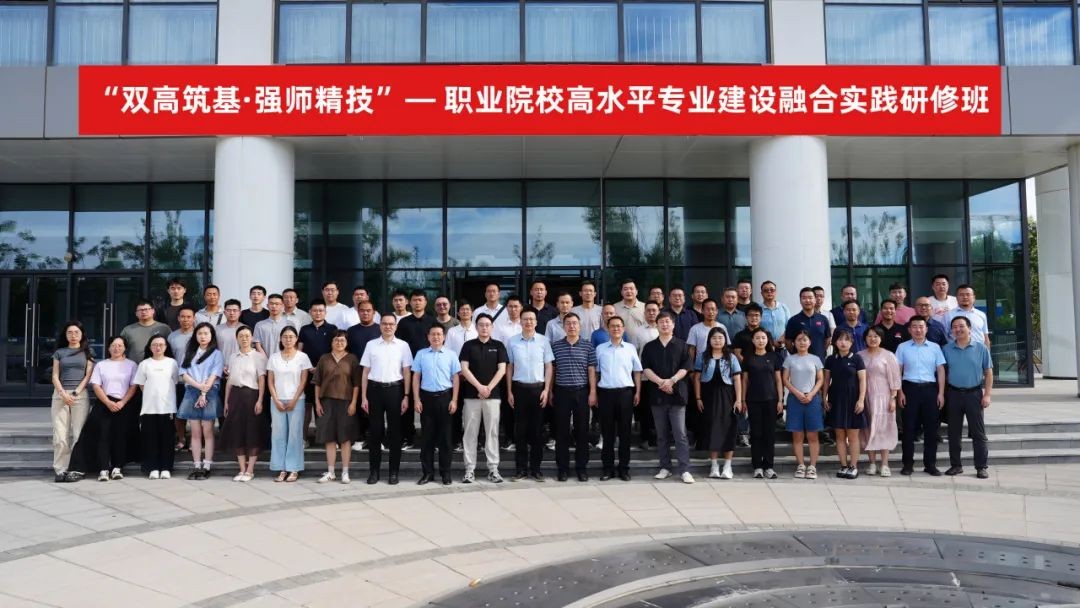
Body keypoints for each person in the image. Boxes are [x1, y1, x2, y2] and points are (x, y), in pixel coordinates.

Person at [71, 336, 137, 482]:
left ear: (125, 348)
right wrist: (107, 402)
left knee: (120, 436)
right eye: (113, 345)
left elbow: (133, 386)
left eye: (120, 345)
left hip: (123, 404)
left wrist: (122, 402)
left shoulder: (131, 365)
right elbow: (96, 385)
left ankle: (117, 467)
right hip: (104, 403)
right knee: (103, 436)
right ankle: (103, 468)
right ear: (108, 348)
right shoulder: (101, 365)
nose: (116, 348)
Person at [641, 311, 694, 484]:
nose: (664, 324)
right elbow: (646, 368)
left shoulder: (682, 345)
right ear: (656, 325)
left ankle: (684, 469)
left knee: (680, 434)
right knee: (661, 434)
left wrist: (671, 381)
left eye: (667, 322)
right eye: (661, 322)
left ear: (673, 325)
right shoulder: (649, 347)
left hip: (677, 395)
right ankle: (665, 467)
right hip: (657, 395)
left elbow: (686, 367)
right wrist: (661, 382)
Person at [360, 314, 413, 485]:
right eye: (384, 324)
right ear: (380, 326)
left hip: (395, 391)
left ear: (396, 326)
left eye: (391, 324)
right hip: (374, 390)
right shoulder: (371, 345)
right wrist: (363, 397)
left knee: (395, 433)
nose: (388, 327)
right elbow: (365, 372)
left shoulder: (403, 346)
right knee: (375, 432)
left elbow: (406, 372)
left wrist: (406, 396)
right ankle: (374, 472)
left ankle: (393, 472)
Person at [119, 299, 171, 463]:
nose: (144, 312)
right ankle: (134, 451)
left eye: (147, 309)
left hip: (158, 380)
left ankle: (160, 451)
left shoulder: (164, 328)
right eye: (140, 310)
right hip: (134, 379)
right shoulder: (128, 330)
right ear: (136, 313)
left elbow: (169, 351)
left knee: (158, 418)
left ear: (153, 311)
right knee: (133, 415)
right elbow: (121, 350)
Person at [506, 310, 554, 481]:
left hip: (538, 390)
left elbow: (549, 366)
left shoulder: (543, 341)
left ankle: (536, 469)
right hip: (519, 389)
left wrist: (546, 390)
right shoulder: (512, 341)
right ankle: (521, 470)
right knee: (520, 431)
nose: (528, 322)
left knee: (537, 431)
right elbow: (510, 367)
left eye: (531, 319)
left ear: (536, 322)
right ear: (520, 321)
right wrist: (509, 391)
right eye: (525, 319)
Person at [459, 313, 508, 484]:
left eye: (487, 324)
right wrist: (480, 387)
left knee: (492, 433)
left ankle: (493, 469)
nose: (484, 327)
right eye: (481, 324)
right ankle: (469, 470)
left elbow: (502, 370)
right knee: (470, 433)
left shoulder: (499, 346)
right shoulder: (468, 345)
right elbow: (464, 369)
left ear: (492, 327)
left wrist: (488, 389)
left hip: (492, 397)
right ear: (476, 326)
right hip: (471, 396)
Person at [943, 316, 993, 479]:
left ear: (969, 328)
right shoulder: (946, 349)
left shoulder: (981, 348)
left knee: (978, 433)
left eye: (961, 326)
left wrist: (987, 394)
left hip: (974, 394)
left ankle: (981, 467)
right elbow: (943, 373)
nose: (958, 329)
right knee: (954, 432)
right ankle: (956, 465)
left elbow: (988, 372)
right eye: (954, 327)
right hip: (953, 394)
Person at [895, 317, 946, 476]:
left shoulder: (935, 347)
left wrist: (941, 393)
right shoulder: (902, 347)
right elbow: (898, 370)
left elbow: (941, 371)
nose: (918, 330)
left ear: (926, 329)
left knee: (931, 429)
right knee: (909, 429)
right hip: (909, 389)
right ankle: (907, 464)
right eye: (914, 327)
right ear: (909, 330)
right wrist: (900, 392)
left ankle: (930, 464)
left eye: (921, 327)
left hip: (930, 390)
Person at [550, 312, 597, 483]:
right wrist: (550, 391)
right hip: (561, 392)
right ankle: (562, 468)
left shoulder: (588, 346)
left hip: (582, 392)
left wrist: (593, 392)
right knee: (561, 431)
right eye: (568, 323)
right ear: (563, 326)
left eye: (574, 323)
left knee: (582, 431)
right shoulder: (556, 346)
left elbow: (591, 370)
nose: (571, 326)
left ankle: (581, 468)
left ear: (579, 325)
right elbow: (552, 370)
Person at [594, 315, 642, 482]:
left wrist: (638, 392)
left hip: (625, 394)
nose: (616, 329)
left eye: (619, 326)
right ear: (608, 329)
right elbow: (596, 372)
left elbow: (637, 371)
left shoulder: (630, 348)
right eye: (612, 326)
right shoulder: (600, 349)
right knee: (607, 434)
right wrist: (595, 392)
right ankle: (607, 468)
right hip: (605, 394)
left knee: (625, 433)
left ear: (623, 329)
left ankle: (624, 468)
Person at [412, 325, 461, 486]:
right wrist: (416, 399)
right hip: (426, 399)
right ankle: (428, 473)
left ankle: (445, 473)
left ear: (444, 336)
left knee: (445, 439)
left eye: (439, 334)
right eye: (433, 334)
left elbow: (456, 378)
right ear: (428, 337)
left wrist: (454, 400)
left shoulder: (451, 355)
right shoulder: (421, 354)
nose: (436, 337)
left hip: (445, 398)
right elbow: (416, 377)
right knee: (427, 438)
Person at [694, 327, 743, 480]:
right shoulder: (702, 357)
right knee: (712, 429)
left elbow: (737, 379)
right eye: (714, 338)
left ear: (725, 340)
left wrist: (739, 400)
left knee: (729, 428)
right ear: (709, 340)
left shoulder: (731, 357)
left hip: (727, 396)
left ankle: (728, 466)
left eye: (720, 338)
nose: (717, 341)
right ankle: (714, 465)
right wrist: (698, 398)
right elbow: (697, 378)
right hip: (708, 396)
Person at [220, 326, 268, 482]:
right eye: (241, 336)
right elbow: (229, 381)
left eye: (247, 335)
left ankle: (250, 470)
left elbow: (261, 379)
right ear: (237, 338)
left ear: (252, 337)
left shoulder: (258, 357)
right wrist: (226, 401)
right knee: (237, 431)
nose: (244, 339)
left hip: (251, 395)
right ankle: (241, 468)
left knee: (252, 431)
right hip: (235, 396)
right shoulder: (233, 357)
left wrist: (260, 400)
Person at [312, 330, 360, 483]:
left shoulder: (352, 359)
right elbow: (317, 382)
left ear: (347, 343)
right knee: (329, 438)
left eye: (342, 340)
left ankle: (345, 472)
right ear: (331, 342)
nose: (339, 343)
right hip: (326, 402)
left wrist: (354, 403)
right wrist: (317, 402)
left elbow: (356, 384)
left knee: (345, 438)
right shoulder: (324, 358)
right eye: (336, 340)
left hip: (346, 402)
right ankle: (331, 471)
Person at [177, 322, 223, 480]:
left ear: (211, 336)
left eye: (206, 333)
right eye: (200, 333)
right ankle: (196, 465)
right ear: (195, 336)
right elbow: (183, 373)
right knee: (195, 432)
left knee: (208, 431)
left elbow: (215, 374)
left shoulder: (216, 354)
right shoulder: (189, 352)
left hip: (210, 391)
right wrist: (198, 387)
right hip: (191, 391)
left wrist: (203, 393)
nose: (203, 336)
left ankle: (207, 465)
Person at [267, 325, 313, 482]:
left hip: (297, 400)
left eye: (291, 337)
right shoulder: (274, 357)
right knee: (278, 435)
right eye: (285, 337)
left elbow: (303, 381)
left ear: (296, 339)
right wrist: (276, 399)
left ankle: (293, 468)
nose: (288, 339)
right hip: (277, 400)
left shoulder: (302, 357)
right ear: (281, 339)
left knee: (295, 435)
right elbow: (270, 381)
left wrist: (294, 400)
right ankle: (281, 468)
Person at [51, 321, 94, 482]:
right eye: (70, 332)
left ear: (82, 334)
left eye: (76, 332)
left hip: (80, 395)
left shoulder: (88, 352)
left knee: (78, 434)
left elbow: (88, 376)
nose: (73, 335)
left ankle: (77, 468)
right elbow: (55, 375)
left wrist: (75, 392)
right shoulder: (59, 352)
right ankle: (61, 469)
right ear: (65, 335)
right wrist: (62, 393)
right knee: (60, 435)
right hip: (60, 395)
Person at [823, 329, 868, 479]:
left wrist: (861, 400)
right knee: (840, 435)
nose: (843, 343)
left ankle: (853, 466)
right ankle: (843, 465)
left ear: (851, 342)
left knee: (853, 436)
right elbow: (826, 380)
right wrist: (824, 398)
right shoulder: (830, 359)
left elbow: (862, 380)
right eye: (840, 339)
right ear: (835, 342)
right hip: (836, 400)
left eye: (846, 340)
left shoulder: (857, 359)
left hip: (853, 400)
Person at [133, 335, 179, 480]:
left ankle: (166, 468)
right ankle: (152, 468)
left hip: (167, 407)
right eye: (154, 344)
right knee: (150, 439)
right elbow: (141, 384)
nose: (158, 347)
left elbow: (175, 381)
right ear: (150, 347)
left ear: (166, 347)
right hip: (149, 408)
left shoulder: (172, 363)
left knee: (167, 439)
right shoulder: (144, 364)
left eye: (161, 345)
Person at [740, 327, 783, 479]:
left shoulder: (774, 357)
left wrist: (780, 400)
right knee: (756, 434)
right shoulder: (748, 358)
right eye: (757, 338)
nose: (760, 340)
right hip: (753, 400)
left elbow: (778, 380)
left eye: (763, 338)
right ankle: (757, 466)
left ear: (767, 340)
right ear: (753, 340)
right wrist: (743, 400)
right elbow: (745, 381)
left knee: (769, 434)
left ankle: (769, 466)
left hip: (771, 400)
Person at [859, 326, 901, 477]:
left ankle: (884, 464)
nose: (873, 339)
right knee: (867, 429)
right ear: (865, 338)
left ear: (881, 338)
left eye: (876, 336)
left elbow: (895, 378)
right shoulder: (859, 356)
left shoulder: (888, 355)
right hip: (865, 397)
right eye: (870, 336)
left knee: (884, 429)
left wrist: (893, 398)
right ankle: (872, 463)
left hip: (883, 396)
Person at [783, 330, 825, 480]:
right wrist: (797, 393)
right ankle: (800, 465)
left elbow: (820, 379)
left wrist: (812, 393)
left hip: (812, 399)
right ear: (794, 343)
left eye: (805, 339)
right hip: (795, 399)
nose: (802, 342)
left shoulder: (815, 359)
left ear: (810, 342)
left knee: (813, 434)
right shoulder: (790, 359)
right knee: (797, 434)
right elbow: (785, 379)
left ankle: (812, 466)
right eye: (799, 340)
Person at [397, 290, 436, 449]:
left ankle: (429, 438)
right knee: (407, 405)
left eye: (420, 300)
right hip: (407, 369)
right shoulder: (404, 323)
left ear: (426, 302)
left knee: (427, 405)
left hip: (428, 370)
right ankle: (408, 437)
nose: (417, 303)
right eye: (414, 300)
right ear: (410, 302)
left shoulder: (432, 321)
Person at [298, 299, 337, 442]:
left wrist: (321, 367)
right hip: (307, 373)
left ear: (325, 312)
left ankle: (326, 438)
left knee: (326, 406)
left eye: (321, 310)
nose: (318, 313)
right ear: (310, 312)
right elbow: (300, 351)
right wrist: (306, 367)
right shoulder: (304, 329)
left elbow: (336, 351)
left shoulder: (332, 329)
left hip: (327, 374)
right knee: (307, 406)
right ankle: (303, 439)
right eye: (315, 310)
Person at [345, 300, 380, 449]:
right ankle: (360, 437)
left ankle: (375, 438)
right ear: (358, 312)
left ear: (374, 312)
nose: (365, 313)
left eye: (368, 310)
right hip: (356, 375)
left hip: (377, 375)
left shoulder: (380, 329)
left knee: (375, 408)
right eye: (362, 310)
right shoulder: (351, 331)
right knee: (359, 407)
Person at [167, 306, 196, 452]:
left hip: (196, 380)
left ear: (194, 318)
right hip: (178, 380)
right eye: (183, 317)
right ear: (178, 318)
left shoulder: (199, 334)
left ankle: (194, 440)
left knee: (195, 413)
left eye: (189, 317)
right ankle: (181, 439)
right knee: (179, 411)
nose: (185, 320)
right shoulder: (172, 336)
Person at [785, 287, 831, 360]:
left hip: (819, 361)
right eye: (804, 298)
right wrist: (795, 354)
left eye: (810, 298)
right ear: (800, 301)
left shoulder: (823, 319)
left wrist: (821, 351)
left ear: (815, 300)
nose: (807, 300)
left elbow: (828, 339)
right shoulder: (793, 320)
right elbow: (788, 342)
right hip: (799, 361)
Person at [254, 293, 291, 358]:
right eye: (271, 304)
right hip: (265, 361)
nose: (274, 306)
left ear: (282, 306)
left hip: (284, 360)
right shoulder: (259, 325)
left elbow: (292, 344)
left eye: (277, 304)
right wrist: (266, 359)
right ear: (267, 306)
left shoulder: (289, 324)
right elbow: (258, 345)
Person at [759, 281, 790, 353]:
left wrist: (782, 338)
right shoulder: (758, 309)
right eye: (766, 290)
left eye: (772, 290)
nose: (769, 292)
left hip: (782, 348)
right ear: (761, 293)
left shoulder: (783, 307)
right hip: (765, 348)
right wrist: (771, 342)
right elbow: (757, 329)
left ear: (776, 292)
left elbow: (789, 326)